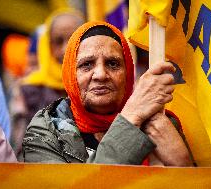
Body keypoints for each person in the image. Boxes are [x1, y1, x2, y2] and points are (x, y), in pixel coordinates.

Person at [23, 21, 193, 166]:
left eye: (112, 64)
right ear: (70, 74)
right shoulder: (45, 131)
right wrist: (131, 117)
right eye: (87, 64)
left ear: (128, 73)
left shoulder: (159, 123)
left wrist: (182, 164)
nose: (101, 75)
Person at [10, 9, 85, 161]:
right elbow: (20, 150)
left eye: (73, 40)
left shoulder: (96, 85)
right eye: (58, 41)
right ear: (46, 46)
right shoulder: (27, 90)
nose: (65, 49)